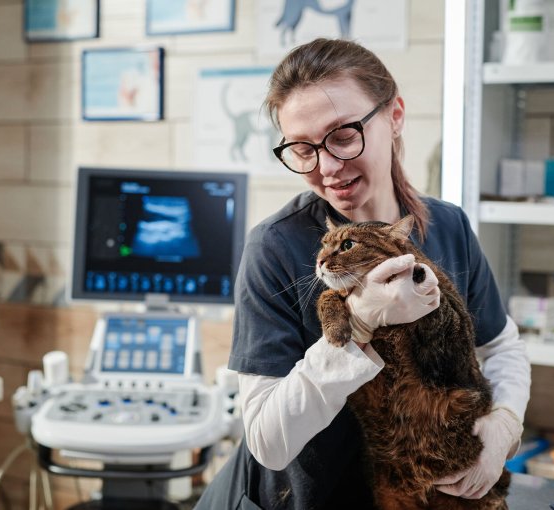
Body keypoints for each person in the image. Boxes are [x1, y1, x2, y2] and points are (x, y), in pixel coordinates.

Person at [195, 38, 531, 510]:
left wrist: (504, 427)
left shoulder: (448, 225)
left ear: (394, 116)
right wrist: (359, 322)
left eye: (343, 135)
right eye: (302, 148)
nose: (326, 167)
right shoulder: (275, 247)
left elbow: (501, 348)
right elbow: (267, 440)